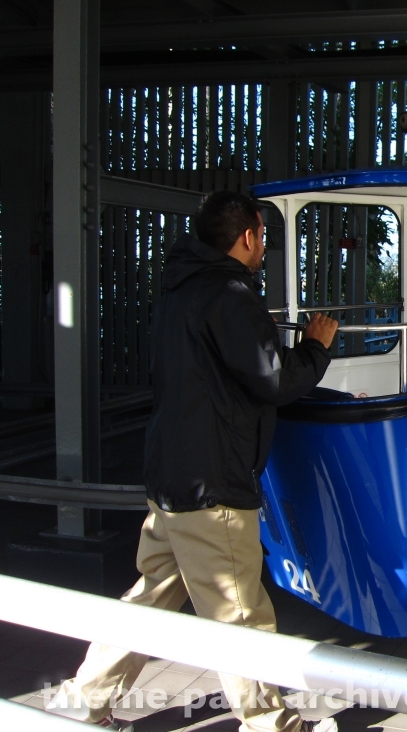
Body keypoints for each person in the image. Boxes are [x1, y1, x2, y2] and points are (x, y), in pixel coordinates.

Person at [46, 192, 340, 732]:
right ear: (249, 236)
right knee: (242, 616)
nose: (264, 246)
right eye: (263, 235)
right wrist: (317, 347)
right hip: (213, 486)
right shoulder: (229, 294)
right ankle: (273, 725)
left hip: (171, 476)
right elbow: (274, 378)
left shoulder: (180, 290)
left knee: (148, 601)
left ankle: (82, 700)